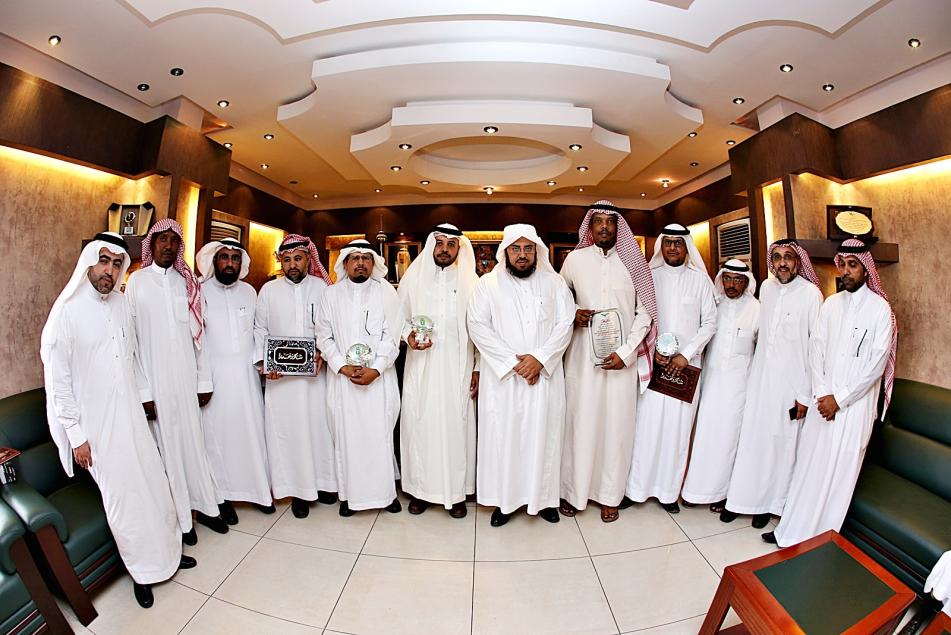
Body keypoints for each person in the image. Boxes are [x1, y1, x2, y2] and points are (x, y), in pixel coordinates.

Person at [41, 233, 195, 609]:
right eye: (103, 261)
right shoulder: (66, 313)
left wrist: (144, 399)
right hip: (96, 429)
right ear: (88, 262)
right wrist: (76, 435)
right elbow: (58, 383)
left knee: (154, 483)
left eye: (116, 264)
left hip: (131, 416)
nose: (109, 271)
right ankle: (142, 572)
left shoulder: (122, 304)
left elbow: (132, 357)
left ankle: (169, 555)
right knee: (125, 499)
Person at [767, 238, 897, 546]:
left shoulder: (880, 309)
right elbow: (816, 351)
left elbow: (876, 364)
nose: (846, 271)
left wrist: (840, 399)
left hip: (854, 408)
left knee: (838, 476)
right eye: (843, 265)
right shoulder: (831, 304)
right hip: (822, 403)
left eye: (853, 265)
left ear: (866, 270)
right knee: (809, 468)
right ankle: (790, 531)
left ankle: (819, 541)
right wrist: (824, 394)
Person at [126, 219, 227, 545]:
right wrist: (143, 391)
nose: (168, 246)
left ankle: (206, 506)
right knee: (168, 451)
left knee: (193, 444)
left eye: (174, 240)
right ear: (152, 244)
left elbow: (199, 338)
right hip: (155, 382)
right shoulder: (137, 282)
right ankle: (183, 520)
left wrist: (203, 381)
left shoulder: (188, 283)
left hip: (186, 380)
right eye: (162, 240)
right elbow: (131, 344)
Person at [467, 224, 574, 527]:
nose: (522, 255)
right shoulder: (487, 285)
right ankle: (505, 502)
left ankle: (545, 500)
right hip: (504, 380)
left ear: (537, 251)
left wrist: (539, 359)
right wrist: (514, 364)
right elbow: (477, 326)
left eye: (528, 249)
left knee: (545, 437)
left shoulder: (554, 283)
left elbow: (565, 323)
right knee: (506, 440)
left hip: (544, 377)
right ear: (506, 251)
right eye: (516, 248)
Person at [559, 201, 655, 523]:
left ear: (618, 227)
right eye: (598, 221)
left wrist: (626, 353)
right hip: (581, 361)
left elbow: (645, 314)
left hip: (621, 362)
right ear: (590, 226)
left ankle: (610, 496)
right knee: (580, 424)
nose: (604, 227)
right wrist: (573, 313)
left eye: (610, 222)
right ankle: (573, 492)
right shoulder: (574, 260)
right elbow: (559, 301)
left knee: (616, 428)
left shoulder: (634, 263)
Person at [721, 239, 823, 528]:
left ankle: (767, 506)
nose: (782, 263)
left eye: (788, 257)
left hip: (791, 386)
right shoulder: (766, 288)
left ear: (798, 262)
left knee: (780, 447)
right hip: (760, 381)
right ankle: (740, 500)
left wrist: (805, 394)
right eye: (776, 257)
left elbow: (816, 348)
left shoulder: (811, 294)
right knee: (752, 441)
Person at [622, 224, 717, 513]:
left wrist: (685, 355)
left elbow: (709, 323)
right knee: (646, 427)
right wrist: (653, 352)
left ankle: (667, 493)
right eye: (668, 242)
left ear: (687, 247)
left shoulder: (700, 281)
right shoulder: (649, 277)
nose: (673, 248)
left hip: (685, 368)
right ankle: (636, 490)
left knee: (677, 431)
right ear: (661, 246)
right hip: (653, 364)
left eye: (678, 243)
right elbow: (639, 318)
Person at [314, 239, 404, 516]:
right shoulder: (331, 295)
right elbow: (323, 336)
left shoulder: (385, 292)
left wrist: (376, 368)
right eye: (355, 258)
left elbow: (393, 334)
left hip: (379, 379)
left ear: (373, 263)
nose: (361, 263)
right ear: (345, 263)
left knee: (379, 436)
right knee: (347, 438)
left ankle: (386, 495)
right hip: (344, 381)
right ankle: (350, 497)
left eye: (366, 258)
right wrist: (341, 366)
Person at [398, 224, 479, 518]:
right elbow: (397, 317)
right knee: (420, 426)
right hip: (422, 368)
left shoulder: (472, 282)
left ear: (459, 248)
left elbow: (482, 329)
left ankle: (456, 493)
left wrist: (477, 367)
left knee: (456, 428)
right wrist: (407, 336)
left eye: (451, 244)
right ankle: (420, 491)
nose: (445, 249)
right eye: (440, 243)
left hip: (459, 368)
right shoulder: (413, 279)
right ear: (432, 245)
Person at [253, 234, 336, 519]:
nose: (292, 265)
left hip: (316, 378)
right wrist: (265, 362)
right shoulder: (268, 290)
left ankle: (324, 483)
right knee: (289, 434)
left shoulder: (323, 288)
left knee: (319, 430)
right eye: (286, 260)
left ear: (308, 259)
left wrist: (323, 353)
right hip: (282, 381)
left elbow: (331, 327)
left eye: (297, 259)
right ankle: (298, 491)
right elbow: (260, 330)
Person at [196, 238, 273, 524]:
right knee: (217, 439)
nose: (230, 263)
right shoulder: (199, 292)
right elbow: (195, 341)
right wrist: (202, 381)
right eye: (224, 257)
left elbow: (259, 332)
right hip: (213, 379)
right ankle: (221, 497)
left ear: (242, 263)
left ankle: (257, 491)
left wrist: (264, 361)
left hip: (246, 377)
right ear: (214, 261)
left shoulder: (250, 292)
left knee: (250, 433)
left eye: (235, 258)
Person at [681, 259, 760, 510]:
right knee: (704, 437)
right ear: (721, 279)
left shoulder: (757, 309)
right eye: (727, 278)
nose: (731, 284)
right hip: (711, 383)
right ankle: (696, 491)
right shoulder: (714, 305)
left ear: (746, 282)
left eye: (738, 280)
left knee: (729, 441)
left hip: (739, 388)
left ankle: (723, 494)